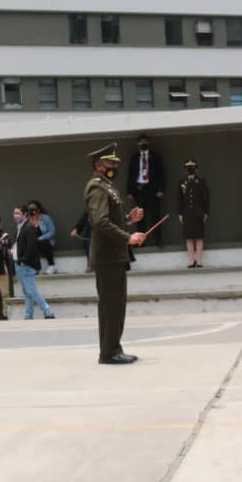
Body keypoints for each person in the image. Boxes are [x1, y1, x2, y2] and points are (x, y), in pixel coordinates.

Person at [86, 142, 147, 364]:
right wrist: (127, 238)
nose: (115, 165)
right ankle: (108, 352)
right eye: (111, 162)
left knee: (117, 305)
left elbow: (111, 220)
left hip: (114, 256)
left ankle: (114, 348)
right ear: (100, 165)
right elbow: (100, 222)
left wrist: (129, 219)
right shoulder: (97, 188)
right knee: (111, 305)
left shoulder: (108, 187)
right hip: (107, 257)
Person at [14, 204, 55, 319]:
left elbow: (31, 247)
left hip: (26, 264)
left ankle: (47, 311)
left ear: (25, 214)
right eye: (15, 213)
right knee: (27, 292)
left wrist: (23, 260)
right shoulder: (20, 227)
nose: (15, 215)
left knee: (31, 290)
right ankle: (28, 315)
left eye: (18, 213)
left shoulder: (29, 227)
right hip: (20, 263)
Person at [126, 132, 164, 247]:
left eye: (145, 142)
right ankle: (140, 243)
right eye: (141, 142)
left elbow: (161, 173)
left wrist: (160, 189)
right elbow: (130, 174)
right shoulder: (134, 157)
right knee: (139, 217)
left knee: (154, 215)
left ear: (149, 143)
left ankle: (158, 241)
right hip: (139, 189)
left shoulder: (155, 157)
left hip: (152, 189)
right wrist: (129, 191)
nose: (143, 144)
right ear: (137, 144)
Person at [178, 159, 210, 269]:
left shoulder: (201, 181)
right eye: (188, 168)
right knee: (189, 237)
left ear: (197, 169)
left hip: (199, 212)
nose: (190, 170)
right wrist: (180, 213)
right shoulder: (182, 181)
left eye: (192, 168)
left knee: (199, 237)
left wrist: (206, 212)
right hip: (187, 213)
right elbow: (179, 199)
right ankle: (191, 261)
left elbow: (206, 197)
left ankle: (199, 261)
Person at [29, 199, 58, 274]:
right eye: (30, 209)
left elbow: (52, 231)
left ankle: (52, 265)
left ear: (38, 209)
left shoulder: (46, 218)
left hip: (46, 241)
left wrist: (41, 238)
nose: (32, 211)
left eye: (33, 209)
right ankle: (34, 268)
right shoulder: (28, 221)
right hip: (33, 242)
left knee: (43, 242)